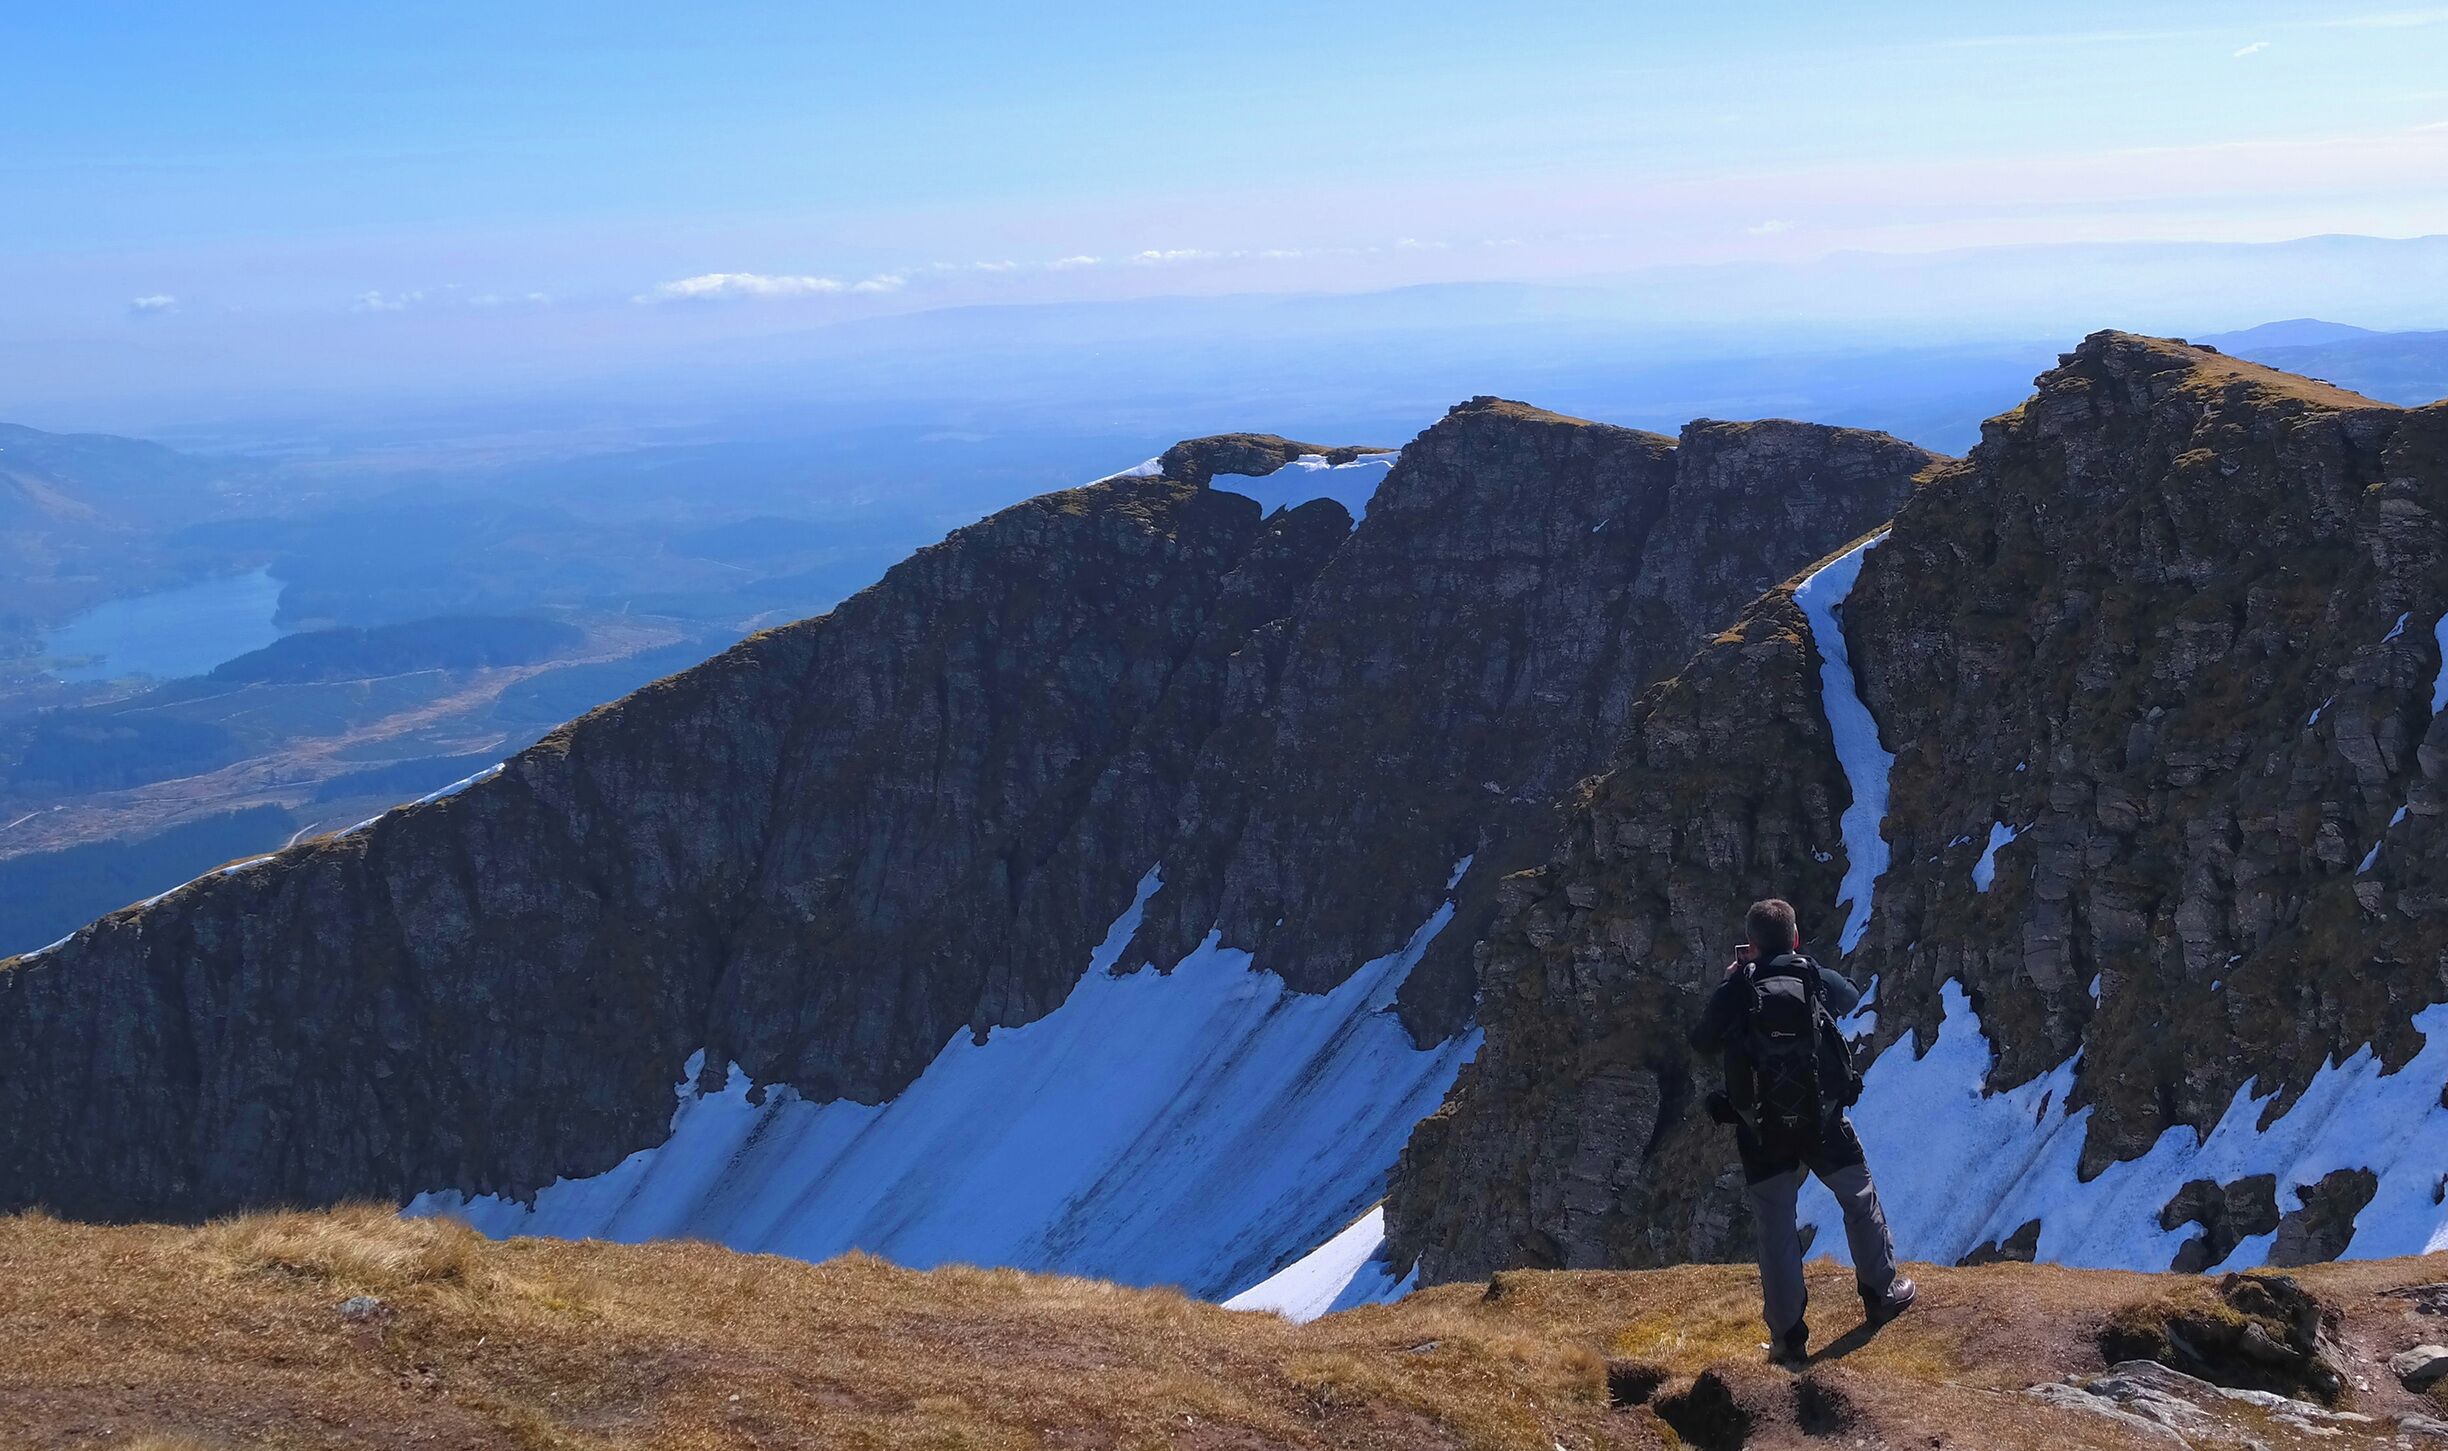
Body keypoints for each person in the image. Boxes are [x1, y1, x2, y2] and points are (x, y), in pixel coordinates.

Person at [1688, 897, 1915, 1364]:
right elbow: (1850, 996)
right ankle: (1881, 1293)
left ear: (1750, 944)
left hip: (1761, 1129)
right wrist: (1806, 968)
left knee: (1775, 1226)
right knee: (1858, 1197)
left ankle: (1789, 1340)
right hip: (1823, 1119)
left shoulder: (1738, 989)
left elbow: (1702, 1041)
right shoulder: (1812, 977)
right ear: (1794, 937)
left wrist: (1732, 984)